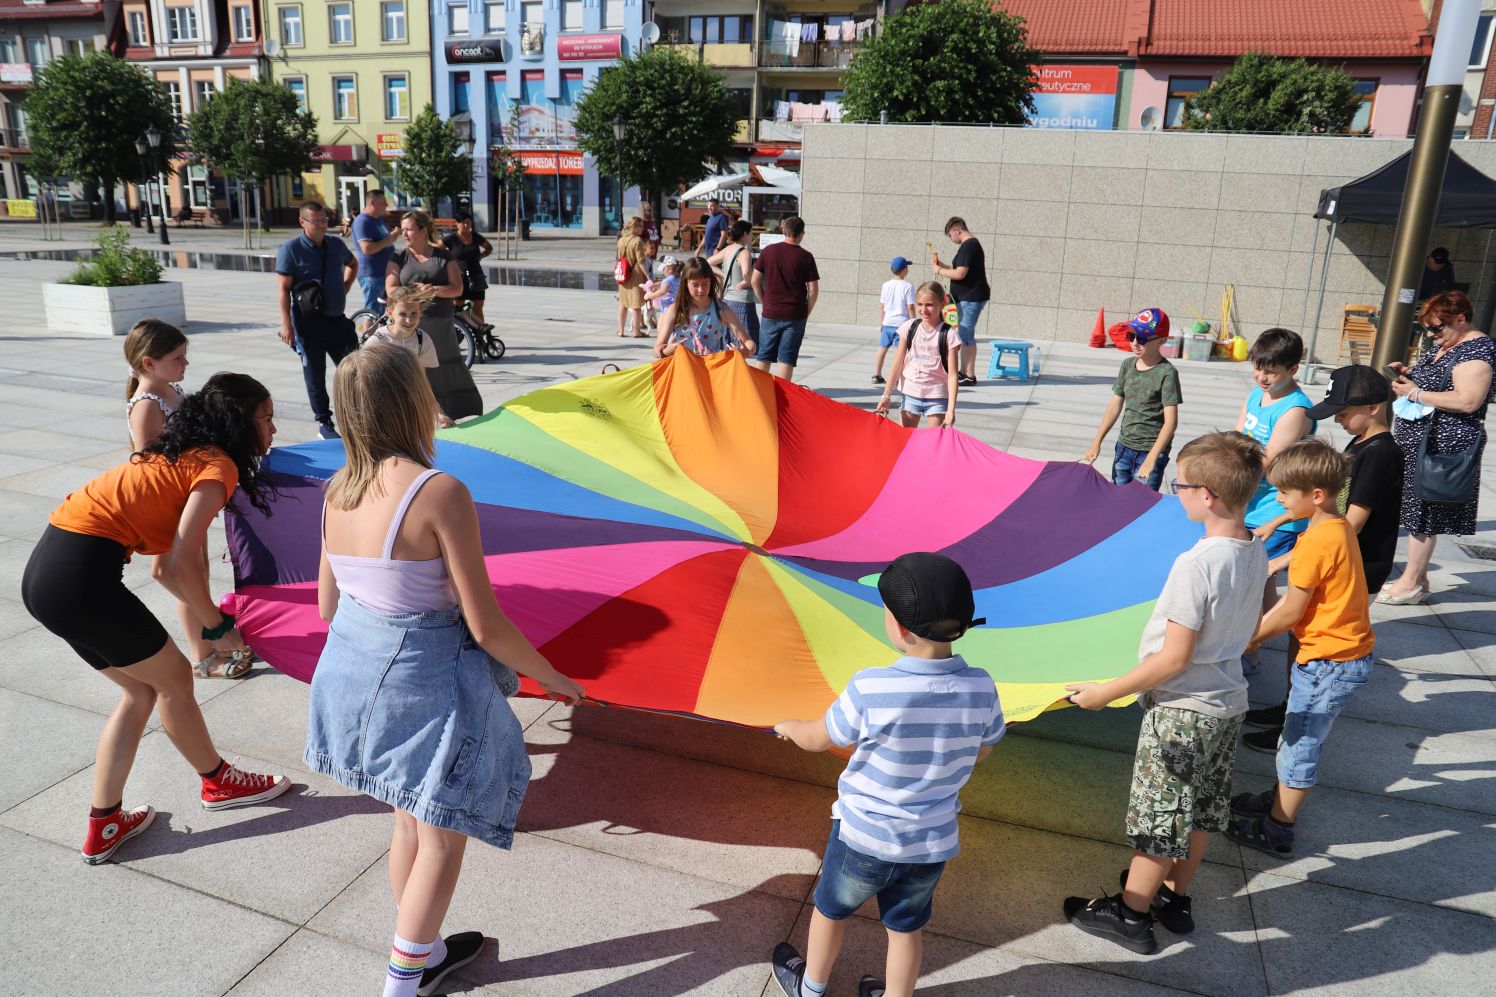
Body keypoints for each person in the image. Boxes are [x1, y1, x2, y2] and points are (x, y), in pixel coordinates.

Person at [306, 344, 584, 997]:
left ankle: (422, 951)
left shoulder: (335, 489)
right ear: (413, 401)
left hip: (350, 679)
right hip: (423, 686)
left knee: (408, 819)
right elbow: (485, 624)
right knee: (441, 836)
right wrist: (558, 679)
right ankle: (402, 984)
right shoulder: (438, 492)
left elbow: (326, 604)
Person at [21, 373, 292, 865]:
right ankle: (218, 782)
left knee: (142, 690)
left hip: (46, 579)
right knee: (173, 684)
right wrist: (216, 627)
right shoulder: (217, 465)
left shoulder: (183, 457)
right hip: (81, 580)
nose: (274, 429)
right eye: (267, 418)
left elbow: (167, 567)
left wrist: (212, 622)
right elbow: (179, 563)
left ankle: (105, 822)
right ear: (238, 424)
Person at [1063, 432, 1268, 954]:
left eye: (1181, 484)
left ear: (1208, 498)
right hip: (1226, 703)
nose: (1176, 492)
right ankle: (1175, 898)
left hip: (1181, 713)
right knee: (1199, 810)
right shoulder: (1254, 547)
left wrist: (1105, 693)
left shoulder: (1196, 564)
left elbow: (1173, 657)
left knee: (1160, 818)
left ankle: (1130, 914)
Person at [770, 553, 1001, 997]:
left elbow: (820, 737)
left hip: (864, 838)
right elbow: (983, 751)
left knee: (830, 911)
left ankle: (811, 987)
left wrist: (788, 727)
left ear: (897, 626)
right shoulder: (981, 686)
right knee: (906, 929)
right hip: (930, 844)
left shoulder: (872, 686)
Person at [1225, 439, 1374, 860]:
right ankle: (1278, 801)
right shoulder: (1335, 524)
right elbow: (1310, 538)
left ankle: (1278, 828)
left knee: (1299, 745)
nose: (1278, 499)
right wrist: (1280, 545)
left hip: (1330, 662)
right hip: (1343, 654)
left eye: (1285, 494)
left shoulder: (1315, 543)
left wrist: (1243, 639)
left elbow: (1289, 612)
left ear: (1317, 495)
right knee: (1296, 737)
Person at [1243, 365, 1403, 750]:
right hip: (1333, 559)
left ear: (1376, 407)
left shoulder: (1381, 454)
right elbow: (1321, 496)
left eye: (1345, 412)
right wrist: (1281, 517)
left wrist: (1288, 559)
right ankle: (1287, 706)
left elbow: (1351, 523)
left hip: (1355, 566)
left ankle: (1295, 723)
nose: (1340, 420)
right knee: (1302, 637)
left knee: (1315, 644)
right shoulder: (1360, 442)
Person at [123, 319, 245, 678]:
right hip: (167, 505)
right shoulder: (146, 404)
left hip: (186, 497)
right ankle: (203, 655)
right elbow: (149, 469)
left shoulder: (169, 388)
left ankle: (211, 647)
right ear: (149, 363)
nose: (185, 364)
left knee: (198, 575)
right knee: (184, 578)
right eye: (177, 357)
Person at [1381, 290, 1496, 603]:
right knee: (1418, 510)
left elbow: (1468, 400)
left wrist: (1416, 393)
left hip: (1442, 446)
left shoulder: (1478, 350)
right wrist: (1408, 376)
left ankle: (1410, 582)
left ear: (1460, 320)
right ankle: (1420, 578)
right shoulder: (1450, 344)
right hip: (1423, 443)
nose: (1431, 334)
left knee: (1425, 512)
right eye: (1427, 328)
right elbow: (1435, 384)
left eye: (1437, 328)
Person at [1236, 328, 1315, 674]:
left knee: (1251, 581)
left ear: (1293, 369)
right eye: (1258, 367)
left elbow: (1268, 462)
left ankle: (1249, 650)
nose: (1262, 376)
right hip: (1252, 502)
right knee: (1261, 580)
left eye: (1271, 371)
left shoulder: (1295, 410)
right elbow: (1239, 438)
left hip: (1277, 509)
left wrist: (1230, 479)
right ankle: (1258, 641)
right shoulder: (1257, 394)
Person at [386, 209, 483, 421]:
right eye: (402, 230)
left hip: (439, 323)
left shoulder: (443, 256)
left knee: (444, 367)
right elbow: (391, 288)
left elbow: (457, 288)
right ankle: (421, 415)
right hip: (409, 325)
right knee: (415, 371)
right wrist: (413, 294)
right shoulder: (399, 257)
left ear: (423, 230)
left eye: (409, 229)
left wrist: (434, 291)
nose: (405, 234)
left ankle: (453, 412)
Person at [276, 201, 359, 440]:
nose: (323, 225)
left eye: (325, 220)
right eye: (317, 221)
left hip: (337, 321)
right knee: (315, 374)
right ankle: (324, 423)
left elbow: (352, 264)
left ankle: (358, 416)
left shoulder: (335, 244)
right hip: (307, 324)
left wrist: (345, 286)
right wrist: (286, 325)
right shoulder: (290, 249)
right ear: (303, 222)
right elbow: (283, 289)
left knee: (355, 370)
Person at [1082, 308, 1182, 491]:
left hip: (1150, 451)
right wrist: (1097, 442)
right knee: (1118, 499)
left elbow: (1171, 422)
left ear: (1162, 341)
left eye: (1142, 339)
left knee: (1142, 505)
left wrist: (1152, 458)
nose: (1135, 343)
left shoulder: (1167, 373)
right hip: (1124, 446)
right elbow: (1114, 406)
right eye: (1131, 336)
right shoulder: (1127, 365)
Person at [366, 285, 456, 429]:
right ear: (390, 313)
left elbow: (422, 382)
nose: (409, 320)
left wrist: (438, 413)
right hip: (382, 405)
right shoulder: (377, 342)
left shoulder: (422, 340)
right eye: (402, 314)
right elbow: (367, 384)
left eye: (414, 313)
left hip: (409, 406)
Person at [875, 281, 960, 429]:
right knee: (904, 441)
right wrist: (886, 396)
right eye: (920, 304)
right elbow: (897, 363)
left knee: (933, 444)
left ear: (942, 304)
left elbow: (953, 375)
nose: (923, 309)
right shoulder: (909, 327)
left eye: (929, 305)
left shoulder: (949, 335)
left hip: (937, 398)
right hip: (910, 395)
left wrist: (951, 410)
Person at [750, 216, 820, 382]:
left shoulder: (768, 251)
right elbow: (813, 289)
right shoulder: (806, 257)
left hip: (771, 312)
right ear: (802, 233)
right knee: (786, 359)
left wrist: (764, 301)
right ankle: (782, 396)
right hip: (795, 314)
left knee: (764, 357)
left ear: (783, 230)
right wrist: (806, 310)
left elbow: (754, 280)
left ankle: (760, 394)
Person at [652, 256, 755, 360]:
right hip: (681, 370)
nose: (700, 290)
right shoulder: (675, 310)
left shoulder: (721, 310)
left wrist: (745, 351)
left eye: (705, 284)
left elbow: (748, 342)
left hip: (710, 371)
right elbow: (656, 350)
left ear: (711, 282)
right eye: (695, 285)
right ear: (686, 284)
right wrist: (666, 351)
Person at [931, 217, 988, 386]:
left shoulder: (969, 245)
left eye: (950, 235)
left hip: (971, 297)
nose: (950, 239)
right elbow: (960, 271)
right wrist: (943, 266)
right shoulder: (969, 246)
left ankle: (969, 374)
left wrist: (939, 270)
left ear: (957, 229)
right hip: (966, 297)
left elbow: (960, 274)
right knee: (964, 335)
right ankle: (964, 372)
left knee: (966, 335)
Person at [709, 219, 759, 348]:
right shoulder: (744, 252)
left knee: (729, 340)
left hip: (727, 299)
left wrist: (722, 274)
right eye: (751, 233)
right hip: (742, 300)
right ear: (745, 234)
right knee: (745, 341)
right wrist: (746, 282)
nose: (751, 236)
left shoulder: (727, 249)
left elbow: (708, 262)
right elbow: (747, 271)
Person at [442, 211, 494, 326]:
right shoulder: (451, 239)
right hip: (459, 277)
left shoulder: (475, 237)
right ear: (457, 223)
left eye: (468, 223)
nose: (466, 225)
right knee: (458, 308)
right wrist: (447, 263)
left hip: (476, 276)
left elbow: (489, 248)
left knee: (478, 307)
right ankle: (459, 333)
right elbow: (436, 250)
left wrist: (480, 257)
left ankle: (480, 333)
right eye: (463, 223)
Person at [352, 190, 398, 314]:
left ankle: (380, 333)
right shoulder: (362, 221)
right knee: (373, 312)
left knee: (384, 311)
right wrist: (389, 239)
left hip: (384, 272)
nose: (386, 205)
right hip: (371, 274)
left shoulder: (379, 219)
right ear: (372, 202)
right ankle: (368, 334)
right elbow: (367, 248)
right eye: (383, 203)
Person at [874, 257, 915, 385]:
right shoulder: (908, 286)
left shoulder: (886, 285)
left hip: (887, 322)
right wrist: (913, 322)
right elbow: (910, 307)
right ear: (904, 270)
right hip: (901, 324)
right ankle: (896, 377)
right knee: (899, 352)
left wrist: (881, 322)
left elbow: (882, 306)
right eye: (907, 267)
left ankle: (877, 374)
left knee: (882, 348)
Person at [615, 216, 649, 338]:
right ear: (635, 227)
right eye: (641, 226)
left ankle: (621, 331)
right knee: (636, 304)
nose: (643, 229)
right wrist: (648, 276)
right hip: (635, 275)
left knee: (623, 303)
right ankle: (637, 332)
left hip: (623, 274)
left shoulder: (621, 240)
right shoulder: (638, 241)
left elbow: (619, 258)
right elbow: (641, 262)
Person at [643, 255, 681, 328]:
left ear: (670, 269)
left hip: (668, 306)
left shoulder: (668, 280)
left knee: (661, 327)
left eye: (664, 268)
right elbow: (663, 283)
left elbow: (663, 291)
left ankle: (664, 337)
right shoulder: (676, 278)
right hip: (676, 305)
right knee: (670, 325)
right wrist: (653, 285)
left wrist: (652, 296)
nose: (663, 271)